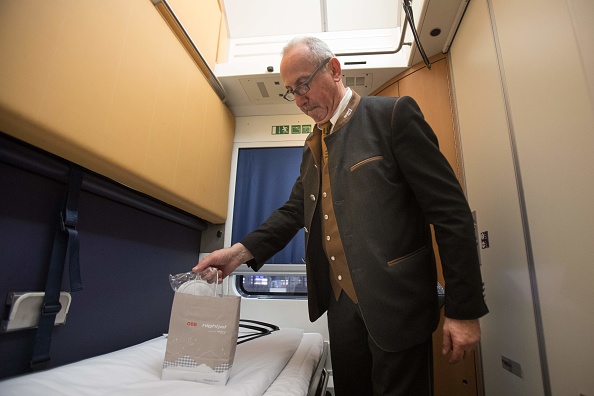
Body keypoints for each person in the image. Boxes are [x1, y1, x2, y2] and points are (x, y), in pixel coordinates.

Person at [193, 36, 488, 395]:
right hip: (341, 309)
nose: (300, 99)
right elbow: (294, 212)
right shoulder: (312, 146)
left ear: (334, 69)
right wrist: (238, 253)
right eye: (291, 91)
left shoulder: (391, 116)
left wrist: (464, 309)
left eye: (304, 83)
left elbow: (450, 213)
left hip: (397, 303)